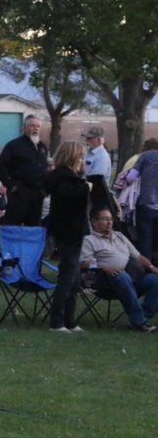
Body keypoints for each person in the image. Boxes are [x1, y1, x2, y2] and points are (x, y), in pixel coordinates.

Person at [80, 207, 158, 332]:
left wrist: (152, 267)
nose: (110, 222)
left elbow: (137, 256)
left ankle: (142, 316)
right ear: (94, 222)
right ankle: (139, 322)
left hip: (131, 279)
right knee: (122, 276)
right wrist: (104, 268)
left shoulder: (120, 236)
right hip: (106, 282)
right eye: (105, 219)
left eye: (111, 219)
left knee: (155, 280)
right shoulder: (89, 240)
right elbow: (83, 264)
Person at [43, 141, 90, 333]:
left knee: (75, 277)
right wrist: (87, 188)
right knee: (67, 276)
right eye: (79, 157)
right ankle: (57, 321)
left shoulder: (68, 177)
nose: (81, 161)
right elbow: (68, 197)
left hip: (72, 231)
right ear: (71, 158)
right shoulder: (63, 178)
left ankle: (70, 319)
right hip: (68, 231)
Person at [0, 115, 49, 226]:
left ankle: (30, 244)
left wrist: (44, 189)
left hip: (37, 194)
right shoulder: (14, 145)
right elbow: (0, 166)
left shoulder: (42, 147)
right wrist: (11, 185)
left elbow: (43, 168)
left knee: (33, 226)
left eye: (38, 126)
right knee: (13, 224)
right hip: (19, 193)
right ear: (24, 128)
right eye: (32, 125)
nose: (35, 128)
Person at [83, 125, 115, 215]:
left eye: (90, 138)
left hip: (95, 197)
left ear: (99, 140)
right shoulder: (89, 153)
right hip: (89, 194)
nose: (87, 140)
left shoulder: (102, 157)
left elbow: (96, 180)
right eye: (86, 138)